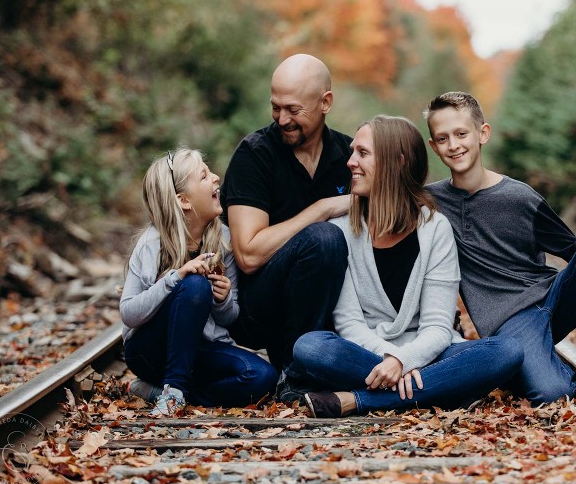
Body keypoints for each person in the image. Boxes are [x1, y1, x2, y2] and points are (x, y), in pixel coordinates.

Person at [288, 115, 524, 417]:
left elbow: (438, 327)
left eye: (362, 153)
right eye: (352, 152)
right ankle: (442, 390)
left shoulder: (435, 229)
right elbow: (349, 324)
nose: (350, 162)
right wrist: (391, 358)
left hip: (431, 352)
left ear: (397, 161)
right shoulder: (342, 232)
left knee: (507, 351)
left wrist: (405, 361)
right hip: (366, 354)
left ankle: (358, 400)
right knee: (311, 347)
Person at [424, 91, 576, 405]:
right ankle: (539, 364)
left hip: (554, 299)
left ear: (482, 133)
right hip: (510, 321)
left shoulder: (519, 197)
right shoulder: (428, 201)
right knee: (552, 393)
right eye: (442, 138)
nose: (454, 145)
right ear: (433, 146)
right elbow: (379, 199)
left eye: (461, 134)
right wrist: (326, 207)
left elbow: (574, 250)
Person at [221, 54, 352, 393]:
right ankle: (295, 372)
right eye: (275, 107)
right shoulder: (254, 155)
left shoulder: (351, 156)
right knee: (324, 237)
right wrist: (321, 209)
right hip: (258, 308)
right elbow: (248, 255)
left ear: (325, 102)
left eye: (294, 109)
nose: (282, 119)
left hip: (334, 308)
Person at [120, 149, 277, 416]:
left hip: (201, 351)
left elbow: (229, 318)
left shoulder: (224, 242)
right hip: (151, 352)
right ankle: (174, 391)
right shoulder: (152, 243)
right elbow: (129, 314)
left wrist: (223, 299)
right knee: (194, 285)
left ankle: (167, 393)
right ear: (183, 200)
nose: (217, 178)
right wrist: (176, 278)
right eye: (204, 176)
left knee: (263, 377)